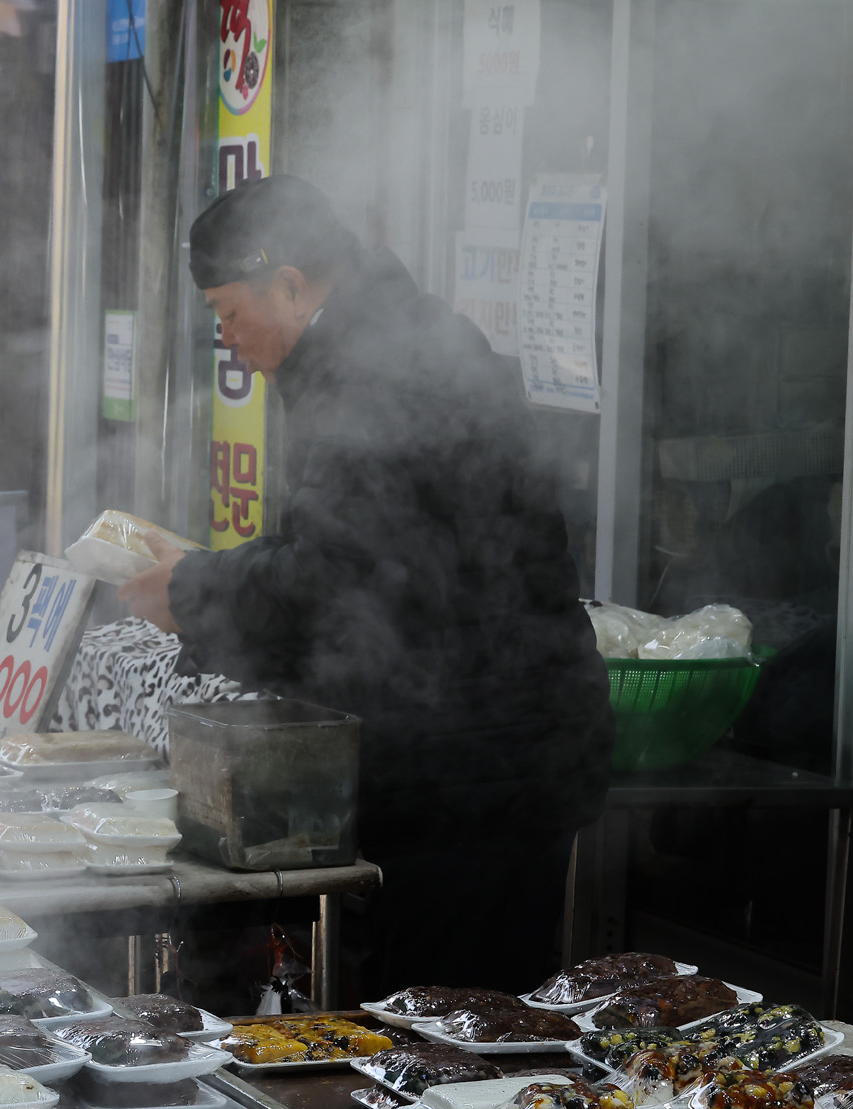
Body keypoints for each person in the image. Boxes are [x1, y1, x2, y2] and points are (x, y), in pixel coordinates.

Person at [119, 175, 613, 996]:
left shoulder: (376, 375)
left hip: (477, 770)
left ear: (291, 285)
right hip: (481, 752)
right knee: (448, 1019)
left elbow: (342, 576)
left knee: (447, 1026)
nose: (227, 338)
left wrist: (196, 590)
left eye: (230, 312)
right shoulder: (382, 347)